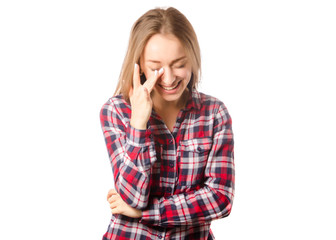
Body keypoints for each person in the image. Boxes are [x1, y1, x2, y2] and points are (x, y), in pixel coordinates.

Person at [100, 7, 235, 240]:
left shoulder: (214, 113)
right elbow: (132, 197)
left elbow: (220, 198)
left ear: (193, 59)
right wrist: (138, 123)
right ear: (139, 65)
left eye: (179, 64)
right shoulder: (116, 111)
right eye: (156, 68)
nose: (170, 78)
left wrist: (145, 213)